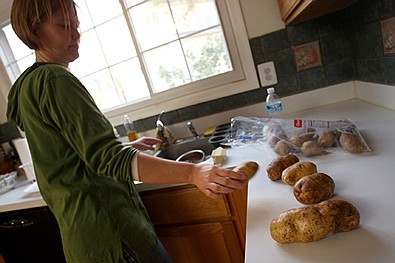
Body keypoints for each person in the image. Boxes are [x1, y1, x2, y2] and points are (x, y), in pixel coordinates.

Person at [6, 0, 248, 262]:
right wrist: (193, 172)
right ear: (34, 31)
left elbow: (68, 156)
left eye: (76, 24)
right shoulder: (55, 79)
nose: (76, 34)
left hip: (84, 243)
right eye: (64, 25)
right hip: (113, 235)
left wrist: (124, 149)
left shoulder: (27, 86)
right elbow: (107, 158)